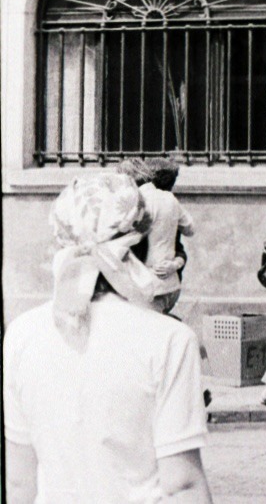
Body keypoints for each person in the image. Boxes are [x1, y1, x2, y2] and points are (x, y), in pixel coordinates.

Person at [2, 170, 212, 504]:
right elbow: (182, 484)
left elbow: (18, 483)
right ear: (140, 240)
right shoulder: (169, 339)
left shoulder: (20, 335)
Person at [138, 156, 195, 315]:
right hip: (171, 284)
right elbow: (189, 229)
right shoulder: (171, 202)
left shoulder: (142, 202)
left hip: (148, 284)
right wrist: (176, 263)